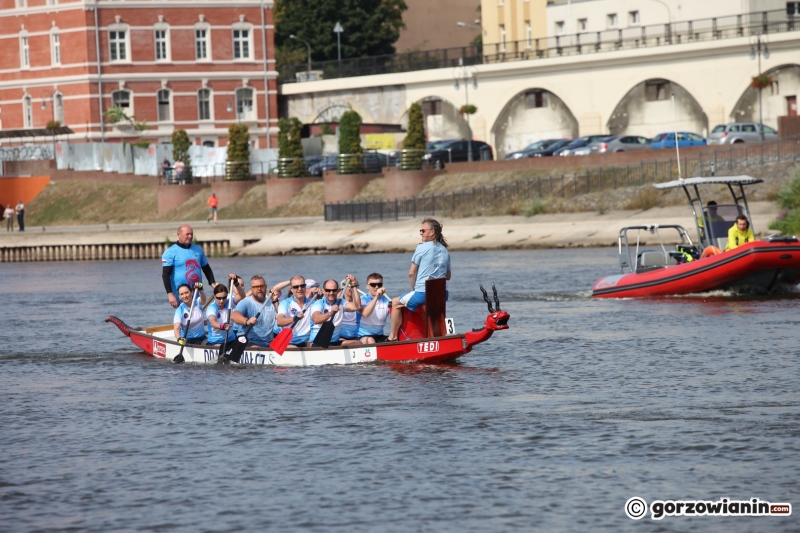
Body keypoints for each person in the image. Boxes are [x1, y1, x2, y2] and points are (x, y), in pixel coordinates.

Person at [388, 218, 451, 341]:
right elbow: (448, 276)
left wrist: (414, 290)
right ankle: (437, 336)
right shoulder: (445, 250)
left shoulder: (422, 247)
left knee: (395, 303)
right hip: (442, 294)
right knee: (429, 308)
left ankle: (393, 337)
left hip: (423, 292)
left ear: (432, 232)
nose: (420, 233)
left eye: (423, 230)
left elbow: (411, 274)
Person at [162, 225, 217, 308]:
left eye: (191, 234)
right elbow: (165, 275)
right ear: (179, 234)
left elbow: (206, 268)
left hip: (197, 291)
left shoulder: (198, 249)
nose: (190, 236)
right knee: (184, 316)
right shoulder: (170, 252)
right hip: (181, 293)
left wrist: (212, 283)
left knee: (197, 316)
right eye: (187, 234)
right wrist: (170, 294)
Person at [309, 276, 362, 347]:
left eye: (334, 290)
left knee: (359, 343)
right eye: (328, 290)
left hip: (334, 342)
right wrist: (331, 313)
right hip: (318, 343)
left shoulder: (341, 302)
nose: (331, 292)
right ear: (323, 291)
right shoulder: (318, 304)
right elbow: (316, 319)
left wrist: (354, 285)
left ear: (337, 291)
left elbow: (357, 306)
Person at [230, 275, 277, 347]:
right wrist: (247, 321)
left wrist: (275, 301)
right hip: (248, 342)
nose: (259, 289)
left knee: (289, 346)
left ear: (266, 287)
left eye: (262, 286)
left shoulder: (272, 303)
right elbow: (234, 316)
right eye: (255, 287)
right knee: (256, 347)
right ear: (251, 289)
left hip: (268, 343)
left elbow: (281, 319)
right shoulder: (246, 302)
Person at [275, 275, 316, 348]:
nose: (299, 289)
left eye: (302, 286)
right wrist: (294, 318)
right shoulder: (285, 303)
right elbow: (279, 321)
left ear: (305, 287)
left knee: (316, 345)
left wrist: (324, 294)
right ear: (291, 289)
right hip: (289, 341)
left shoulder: (313, 303)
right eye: (296, 287)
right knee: (295, 348)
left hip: (307, 341)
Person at [205, 274, 246, 345]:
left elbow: (242, 296)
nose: (221, 301)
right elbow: (213, 323)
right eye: (219, 298)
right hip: (216, 341)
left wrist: (236, 283)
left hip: (231, 339)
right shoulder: (211, 308)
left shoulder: (229, 302)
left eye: (224, 297)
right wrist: (222, 326)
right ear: (214, 296)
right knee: (219, 346)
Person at [359, 272, 391, 344]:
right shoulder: (362, 299)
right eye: (373, 285)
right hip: (362, 336)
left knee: (397, 338)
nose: (376, 287)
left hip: (379, 335)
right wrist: (376, 297)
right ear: (367, 286)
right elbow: (365, 314)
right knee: (370, 340)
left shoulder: (386, 301)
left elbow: (394, 317)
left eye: (379, 285)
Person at [339, 276, 362, 343]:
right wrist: (343, 287)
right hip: (340, 337)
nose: (351, 288)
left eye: (354, 286)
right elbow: (336, 300)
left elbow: (358, 306)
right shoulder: (340, 301)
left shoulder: (361, 301)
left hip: (357, 336)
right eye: (349, 286)